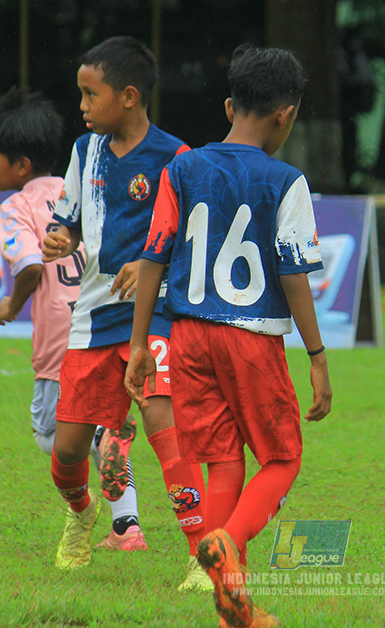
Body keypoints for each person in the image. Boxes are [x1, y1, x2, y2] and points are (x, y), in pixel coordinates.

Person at [125, 44, 333, 628]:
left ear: (228, 105)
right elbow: (292, 273)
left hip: (187, 336)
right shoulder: (286, 180)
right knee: (283, 458)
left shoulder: (182, 167)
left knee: (224, 464)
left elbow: (154, 256)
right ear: (286, 114)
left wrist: (141, 344)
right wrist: (316, 355)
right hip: (249, 339)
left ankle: (231, 609)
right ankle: (226, 544)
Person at [41, 37, 208, 587]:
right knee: (66, 452)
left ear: (129, 97)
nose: (83, 106)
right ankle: (82, 510)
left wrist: (151, 261)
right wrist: (59, 237)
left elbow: (196, 237)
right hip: (92, 317)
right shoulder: (84, 151)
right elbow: (67, 216)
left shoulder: (176, 158)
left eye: (91, 94)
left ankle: (202, 553)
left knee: (163, 424)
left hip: (154, 315)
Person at [0, 86, 149, 554]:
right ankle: (127, 527)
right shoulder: (80, 186)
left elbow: (30, 266)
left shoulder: (15, 207)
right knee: (100, 422)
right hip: (108, 321)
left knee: (50, 434)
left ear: (19, 166)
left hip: (63, 338)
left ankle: (97, 468)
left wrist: (13, 304)